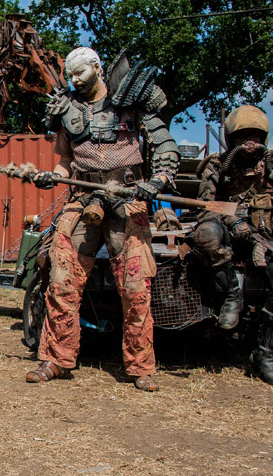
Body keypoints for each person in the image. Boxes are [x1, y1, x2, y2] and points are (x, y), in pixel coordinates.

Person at [26, 47, 180, 391]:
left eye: (80, 72)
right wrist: (52, 176)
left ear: (97, 67)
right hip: (82, 200)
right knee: (61, 278)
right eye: (70, 74)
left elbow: (165, 147)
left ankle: (140, 367)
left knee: (136, 286)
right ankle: (56, 358)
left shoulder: (130, 101)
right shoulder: (68, 110)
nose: (74, 80)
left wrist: (158, 180)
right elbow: (66, 162)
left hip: (128, 200)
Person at [192, 105, 273, 387]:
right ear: (231, 139)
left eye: (255, 134)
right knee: (205, 233)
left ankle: (263, 356)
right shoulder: (217, 165)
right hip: (230, 239)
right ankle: (232, 295)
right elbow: (206, 207)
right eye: (242, 136)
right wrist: (232, 221)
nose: (249, 141)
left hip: (267, 243)